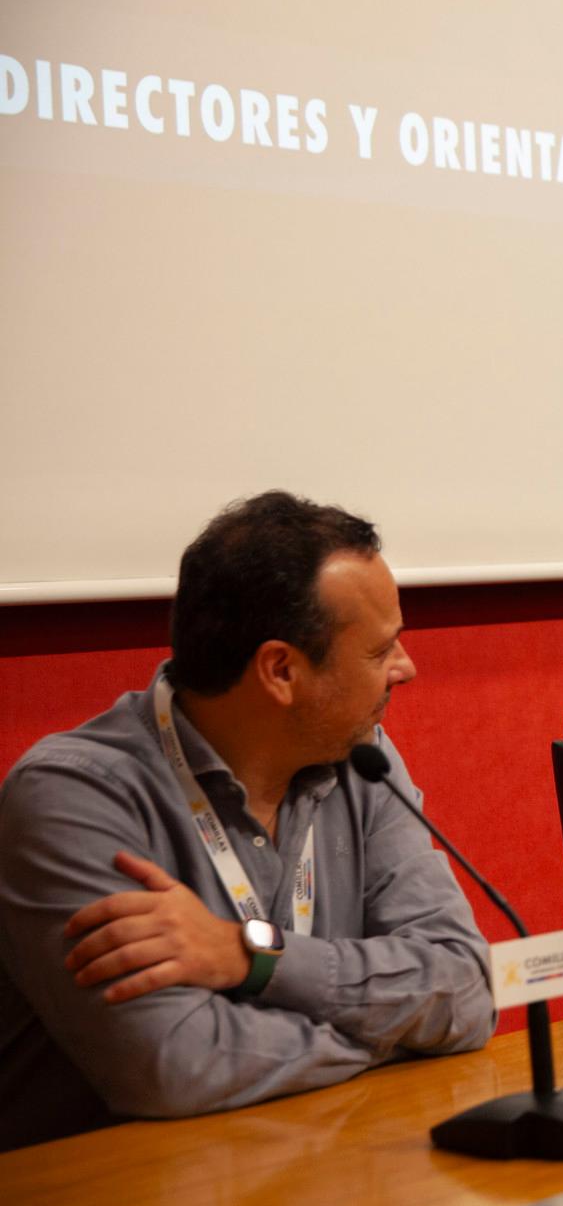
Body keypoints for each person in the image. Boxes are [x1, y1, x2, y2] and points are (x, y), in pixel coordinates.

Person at [0, 492, 494, 1151]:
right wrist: (391, 1033)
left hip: (312, 1167)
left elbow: (465, 987)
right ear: (281, 670)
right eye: (380, 651)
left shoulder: (364, 761)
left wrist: (252, 957)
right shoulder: (73, 798)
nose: (407, 666)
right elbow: (174, 1065)